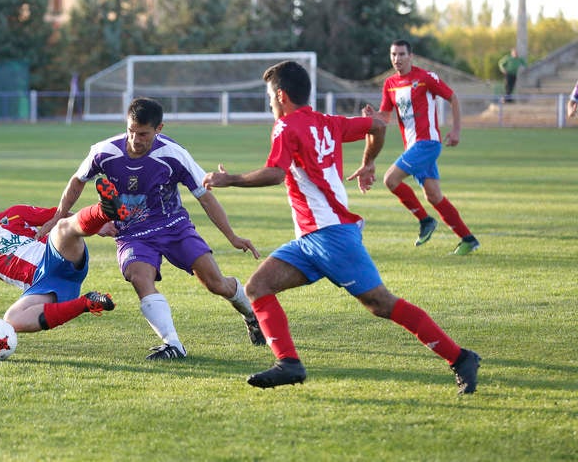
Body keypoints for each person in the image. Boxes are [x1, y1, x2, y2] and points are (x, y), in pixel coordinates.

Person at [202, 60, 481, 394]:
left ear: (282, 96)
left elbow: (276, 173)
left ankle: (460, 357)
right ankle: (288, 363)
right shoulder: (328, 122)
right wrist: (368, 162)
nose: (270, 104)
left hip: (331, 236)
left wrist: (230, 179)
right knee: (258, 287)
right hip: (310, 240)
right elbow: (377, 126)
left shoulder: (285, 126)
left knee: (381, 303)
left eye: (270, 97)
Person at [37, 97, 265, 360]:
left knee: (216, 283)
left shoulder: (173, 154)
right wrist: (57, 216)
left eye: (143, 134)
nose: (135, 139)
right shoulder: (104, 151)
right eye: (131, 131)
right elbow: (78, 180)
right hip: (132, 234)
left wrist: (232, 236)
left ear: (159, 129)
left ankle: (252, 315)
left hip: (173, 226)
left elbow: (205, 196)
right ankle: (173, 345)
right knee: (139, 278)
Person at [0, 185, 117, 352]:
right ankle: (88, 302)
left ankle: (103, 210)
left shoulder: (13, 214)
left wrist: (98, 226)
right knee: (11, 319)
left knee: (61, 226)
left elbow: (58, 215)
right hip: (43, 286)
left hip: (57, 255)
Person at [365, 39, 479, 255]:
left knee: (390, 179)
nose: (397, 59)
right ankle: (468, 239)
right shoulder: (390, 84)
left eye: (401, 54)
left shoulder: (425, 78)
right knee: (434, 196)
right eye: (393, 54)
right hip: (412, 147)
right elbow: (385, 117)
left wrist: (456, 130)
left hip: (427, 143)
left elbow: (453, 98)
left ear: (411, 56)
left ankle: (425, 221)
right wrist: (373, 116)